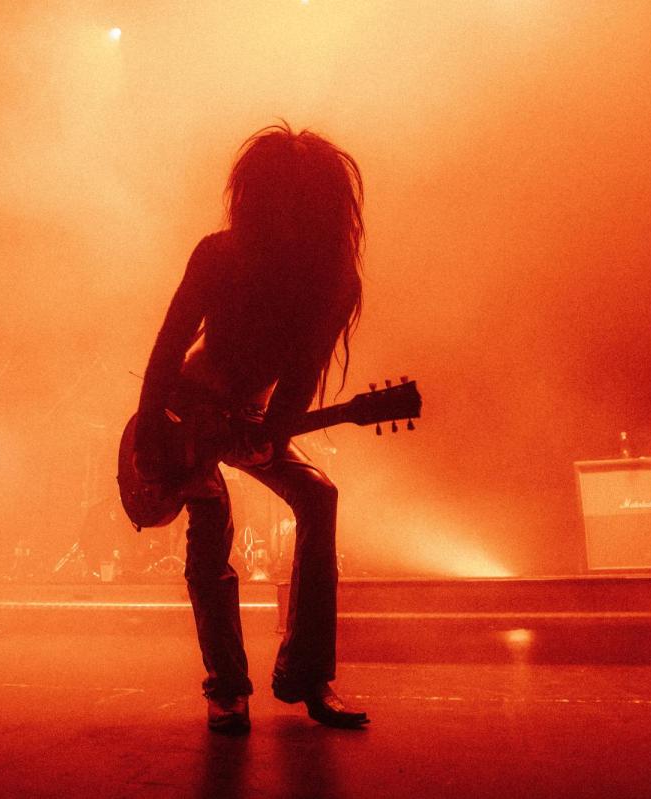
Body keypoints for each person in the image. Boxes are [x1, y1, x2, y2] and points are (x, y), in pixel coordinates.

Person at [134, 122, 369, 732]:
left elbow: (303, 376)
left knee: (318, 496)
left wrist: (274, 435)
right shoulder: (220, 254)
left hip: (253, 416)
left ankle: (308, 676)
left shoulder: (334, 280)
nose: (290, 212)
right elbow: (169, 345)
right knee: (212, 521)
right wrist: (154, 427)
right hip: (188, 407)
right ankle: (227, 687)